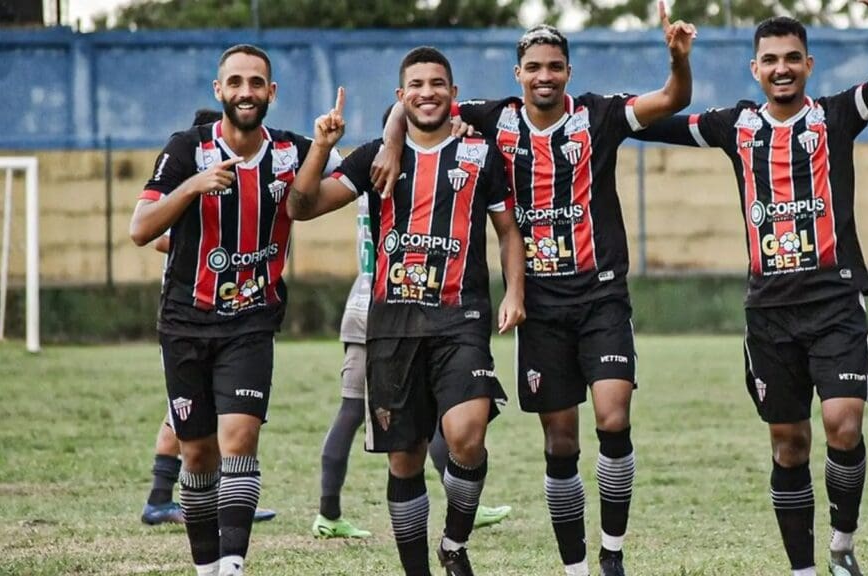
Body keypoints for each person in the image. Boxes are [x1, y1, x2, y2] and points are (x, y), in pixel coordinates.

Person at [373, 5, 694, 576]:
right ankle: (573, 567)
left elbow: (670, 100)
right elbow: (415, 103)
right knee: (561, 440)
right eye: (534, 68)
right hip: (541, 306)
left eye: (554, 67)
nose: (544, 76)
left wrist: (677, 60)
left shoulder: (599, 115)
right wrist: (392, 143)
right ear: (518, 74)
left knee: (613, 415)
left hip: (600, 294)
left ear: (568, 72)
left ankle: (613, 554)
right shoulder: (494, 120)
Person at [633, 2, 868, 574]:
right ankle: (803, 568)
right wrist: (675, 65)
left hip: (835, 303)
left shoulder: (837, 116)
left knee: (843, 423)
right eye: (770, 60)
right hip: (769, 314)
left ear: (808, 65)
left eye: (792, 58)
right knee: (790, 444)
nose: (781, 68)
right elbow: (651, 120)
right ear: (754, 69)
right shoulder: (735, 126)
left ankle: (841, 544)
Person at [288, 46, 526, 576]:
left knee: (467, 434)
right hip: (392, 327)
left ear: (453, 94)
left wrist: (515, 292)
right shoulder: (373, 157)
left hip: (461, 318)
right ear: (401, 97)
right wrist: (322, 147)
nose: (427, 92)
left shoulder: (480, 155)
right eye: (415, 84)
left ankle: (456, 544)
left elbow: (508, 231)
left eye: (437, 83)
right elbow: (301, 208)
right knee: (406, 459)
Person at [129, 46, 341, 576]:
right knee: (198, 456)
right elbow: (140, 229)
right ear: (218, 90)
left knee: (239, 439)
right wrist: (194, 187)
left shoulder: (293, 152)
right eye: (236, 82)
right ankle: (206, 567)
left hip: (250, 321)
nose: (246, 91)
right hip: (184, 321)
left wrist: (343, 145)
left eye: (257, 83)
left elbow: (344, 183)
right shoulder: (186, 149)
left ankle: (232, 566)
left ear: (271, 93)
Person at [312, 190, 511, 539]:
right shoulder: (405, 180)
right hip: (395, 309)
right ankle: (465, 501)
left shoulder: (369, 179)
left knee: (350, 411)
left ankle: (328, 513)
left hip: (361, 302)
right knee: (434, 417)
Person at [141, 109, 275, 528]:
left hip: (234, 319)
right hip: (189, 317)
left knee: (196, 417)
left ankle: (177, 497)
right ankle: (166, 498)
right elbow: (153, 233)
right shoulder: (189, 178)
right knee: (186, 417)